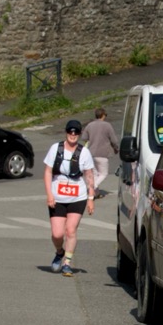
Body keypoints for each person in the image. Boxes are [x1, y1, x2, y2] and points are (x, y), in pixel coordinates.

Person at [43, 119, 96, 277]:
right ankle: (60, 252)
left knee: (71, 230)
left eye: (76, 132)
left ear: (80, 134)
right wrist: (49, 194)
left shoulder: (84, 152)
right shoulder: (56, 148)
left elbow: (89, 175)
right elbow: (47, 172)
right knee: (57, 234)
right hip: (57, 197)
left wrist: (90, 198)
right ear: (66, 132)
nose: (73, 135)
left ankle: (67, 263)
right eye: (70, 132)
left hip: (77, 197)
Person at [82, 106, 119, 198]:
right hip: (102, 153)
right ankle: (92, 186)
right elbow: (114, 140)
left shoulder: (90, 125)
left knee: (94, 174)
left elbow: (84, 137)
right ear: (103, 115)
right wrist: (116, 148)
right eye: (105, 115)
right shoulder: (107, 125)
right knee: (103, 173)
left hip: (91, 153)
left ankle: (95, 193)